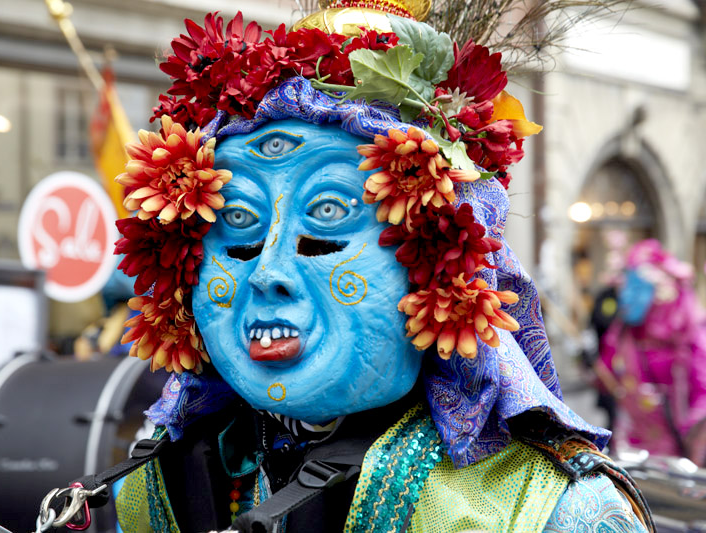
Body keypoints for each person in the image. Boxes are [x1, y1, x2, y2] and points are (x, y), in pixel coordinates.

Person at [110, 1, 654, 531]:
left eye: (325, 217)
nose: (266, 272)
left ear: (442, 265)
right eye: (237, 227)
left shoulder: (552, 512)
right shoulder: (166, 487)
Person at [598, 239, 706, 464]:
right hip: (633, 440)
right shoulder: (626, 328)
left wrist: (695, 429)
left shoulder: (687, 327)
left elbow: (700, 382)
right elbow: (607, 371)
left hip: (679, 441)